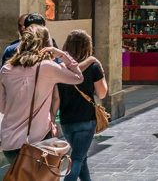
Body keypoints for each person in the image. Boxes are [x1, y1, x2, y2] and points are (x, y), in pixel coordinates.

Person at [0, 25, 83, 166]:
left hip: (9, 142)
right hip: (37, 141)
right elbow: (78, 77)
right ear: (46, 43)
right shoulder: (47, 67)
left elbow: (2, 108)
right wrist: (62, 55)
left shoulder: (6, 69)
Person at [55, 30, 108, 181]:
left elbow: (56, 97)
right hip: (86, 120)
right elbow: (102, 93)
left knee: (81, 157)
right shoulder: (93, 67)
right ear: (87, 46)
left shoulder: (59, 68)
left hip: (66, 121)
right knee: (77, 158)